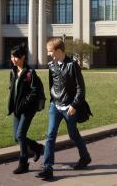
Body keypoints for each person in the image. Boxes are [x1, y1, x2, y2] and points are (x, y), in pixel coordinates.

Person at [36, 38, 92, 180]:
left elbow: (81, 89)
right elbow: (52, 85)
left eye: (50, 51)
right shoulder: (51, 65)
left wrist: (74, 105)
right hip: (55, 106)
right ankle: (47, 168)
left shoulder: (73, 65)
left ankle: (85, 157)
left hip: (69, 107)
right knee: (50, 136)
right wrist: (53, 102)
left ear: (59, 51)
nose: (48, 54)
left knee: (73, 135)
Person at [7, 44, 44, 174]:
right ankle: (37, 147)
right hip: (17, 109)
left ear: (23, 57)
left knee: (20, 135)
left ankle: (23, 163)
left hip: (27, 109)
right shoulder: (13, 72)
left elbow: (35, 92)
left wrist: (23, 103)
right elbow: (12, 89)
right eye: (12, 57)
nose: (13, 59)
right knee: (17, 137)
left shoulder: (30, 73)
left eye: (16, 57)